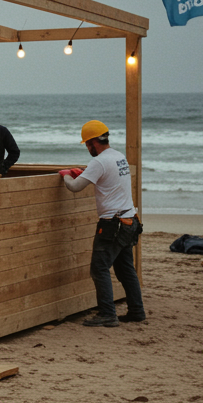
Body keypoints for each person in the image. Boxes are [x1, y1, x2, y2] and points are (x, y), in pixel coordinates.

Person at [59, 119, 146, 328]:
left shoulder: (98, 162)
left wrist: (65, 177)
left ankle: (107, 314)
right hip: (130, 221)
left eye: (87, 144)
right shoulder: (118, 156)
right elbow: (105, 178)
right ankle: (137, 311)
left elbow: (75, 187)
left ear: (92, 143)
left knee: (99, 269)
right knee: (126, 269)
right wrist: (85, 173)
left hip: (112, 225)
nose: (88, 148)